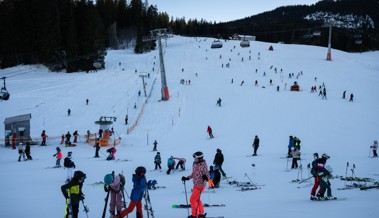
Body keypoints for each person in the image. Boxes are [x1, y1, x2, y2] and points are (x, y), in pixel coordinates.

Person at [181, 151, 212, 218]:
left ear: (200, 158)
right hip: (195, 184)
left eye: (196, 158)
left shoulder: (203, 165)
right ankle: (201, 214)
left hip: (200, 186)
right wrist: (187, 178)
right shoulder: (195, 164)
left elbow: (208, 175)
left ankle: (194, 215)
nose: (194, 159)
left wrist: (206, 178)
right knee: (197, 199)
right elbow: (194, 173)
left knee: (192, 199)